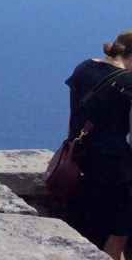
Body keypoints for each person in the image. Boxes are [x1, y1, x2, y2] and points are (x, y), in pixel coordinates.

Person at [64, 30, 132, 259]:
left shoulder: (83, 68)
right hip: (115, 170)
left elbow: (73, 120)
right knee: (118, 232)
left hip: (80, 162)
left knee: (87, 231)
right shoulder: (129, 83)